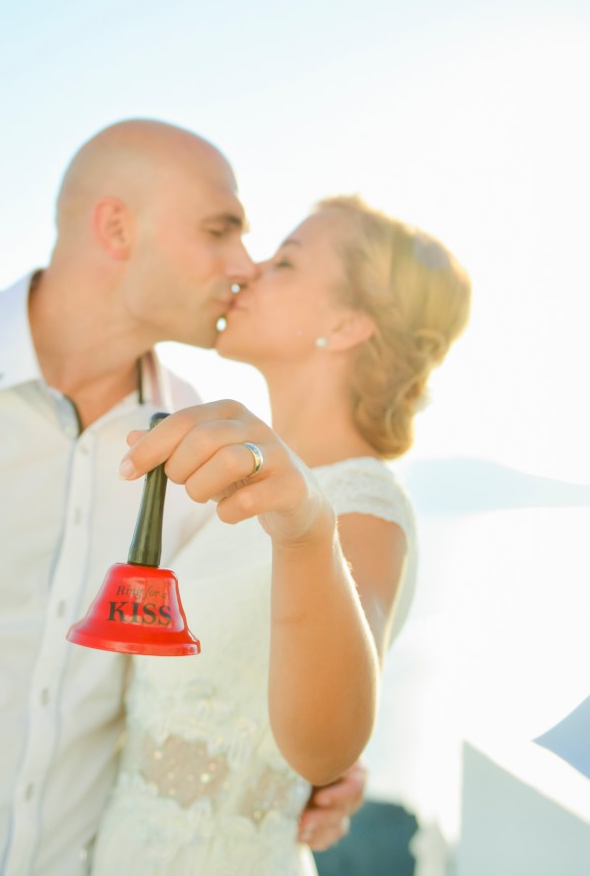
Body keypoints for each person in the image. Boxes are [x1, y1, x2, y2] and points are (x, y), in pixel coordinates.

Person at [0, 121, 362, 876]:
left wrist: (312, 767)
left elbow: (204, 667)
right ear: (116, 226)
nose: (246, 265)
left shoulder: (205, 450)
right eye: (221, 229)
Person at [91, 195, 471, 874]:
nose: (251, 270)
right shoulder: (232, 483)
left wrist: (305, 530)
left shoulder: (360, 507)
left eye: (287, 260)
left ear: (348, 323)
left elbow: (327, 741)